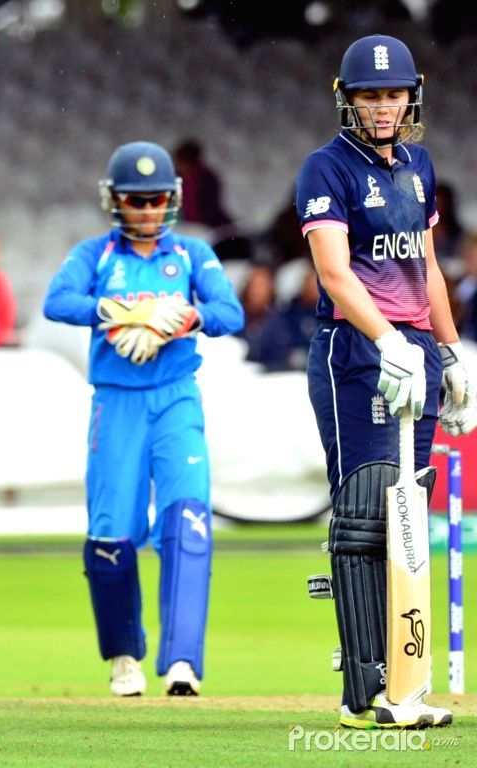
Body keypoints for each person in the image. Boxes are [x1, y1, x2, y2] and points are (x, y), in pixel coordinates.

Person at [296, 34, 476, 730]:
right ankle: (362, 692)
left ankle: (407, 683)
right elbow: (336, 273)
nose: (381, 106)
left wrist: (452, 354)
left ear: (411, 97)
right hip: (356, 351)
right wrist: (388, 340)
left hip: (416, 351)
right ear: (348, 100)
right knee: (366, 514)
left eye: (392, 93)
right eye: (369, 95)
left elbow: (427, 266)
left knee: (408, 511)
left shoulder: (419, 166)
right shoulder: (326, 168)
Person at [43, 141, 243, 698]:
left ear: (172, 199)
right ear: (116, 201)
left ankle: (183, 662)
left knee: (188, 524)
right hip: (117, 400)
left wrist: (185, 316)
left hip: (176, 397)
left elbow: (231, 311)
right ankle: (124, 655)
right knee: (112, 533)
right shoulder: (97, 255)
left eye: (157, 199)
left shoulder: (194, 255)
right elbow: (57, 302)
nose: (148, 210)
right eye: (136, 200)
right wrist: (118, 310)